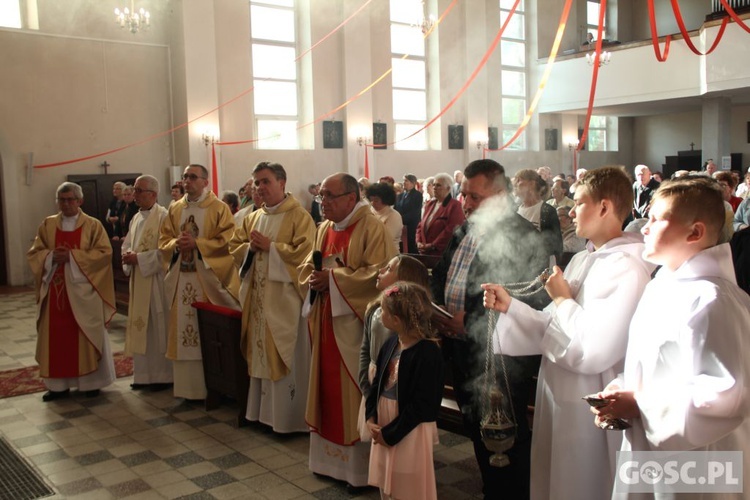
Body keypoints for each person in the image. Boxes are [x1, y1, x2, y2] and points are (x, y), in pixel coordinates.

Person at [482, 167, 655, 500]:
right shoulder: (580, 260)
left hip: (589, 396)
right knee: (554, 476)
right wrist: (511, 308)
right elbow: (553, 325)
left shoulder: (626, 268)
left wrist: (561, 296)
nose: (571, 212)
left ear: (604, 207)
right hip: (558, 388)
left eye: (578, 202)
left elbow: (593, 349)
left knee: (582, 481)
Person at [591, 176, 750, 499]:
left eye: (655, 219)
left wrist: (641, 404)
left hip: (699, 461)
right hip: (651, 446)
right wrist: (623, 386)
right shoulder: (663, 285)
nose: (644, 228)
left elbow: (725, 394)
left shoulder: (713, 300)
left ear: (695, 232)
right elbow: (658, 362)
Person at [430, 159, 549, 499]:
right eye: (463, 195)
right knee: (476, 427)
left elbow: (529, 299)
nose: (465, 203)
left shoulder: (522, 235)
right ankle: (492, 489)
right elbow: (442, 273)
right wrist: (438, 311)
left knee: (504, 432)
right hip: (462, 349)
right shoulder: (465, 229)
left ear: (499, 195)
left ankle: (511, 494)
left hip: (499, 355)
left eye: (474, 197)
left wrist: (466, 321)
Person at [299, 172, 395, 489]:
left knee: (353, 390)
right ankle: (328, 462)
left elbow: (379, 275)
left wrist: (335, 281)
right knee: (326, 386)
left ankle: (358, 471)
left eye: (329, 196)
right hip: (326, 320)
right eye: (321, 196)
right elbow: (309, 263)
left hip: (354, 328)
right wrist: (314, 278)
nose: (322, 202)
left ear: (351, 198)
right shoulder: (324, 227)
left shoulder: (372, 227)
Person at [229, 162, 315, 432]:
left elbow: (306, 255)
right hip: (258, 300)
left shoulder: (299, 216)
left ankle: (288, 420)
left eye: (265, 181)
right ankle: (262, 415)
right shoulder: (253, 217)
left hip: (285, 302)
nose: (260, 187)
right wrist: (251, 250)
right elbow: (234, 247)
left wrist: (272, 248)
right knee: (259, 354)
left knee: (284, 354)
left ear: (282, 182)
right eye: (256, 182)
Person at [27, 182, 117, 401]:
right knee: (55, 338)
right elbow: (35, 253)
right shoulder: (47, 225)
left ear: (80, 201)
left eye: (70, 200)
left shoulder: (93, 225)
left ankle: (91, 383)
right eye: (62, 200)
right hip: (55, 293)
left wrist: (73, 257)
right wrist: (49, 257)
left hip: (84, 292)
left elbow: (105, 253)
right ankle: (58, 387)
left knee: (85, 334)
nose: (65, 204)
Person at [159, 164, 240, 400]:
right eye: (185, 177)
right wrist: (176, 245)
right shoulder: (175, 208)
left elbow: (229, 240)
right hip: (182, 277)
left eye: (193, 177)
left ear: (206, 181)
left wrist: (199, 245)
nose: (187, 181)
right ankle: (187, 389)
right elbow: (164, 239)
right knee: (184, 330)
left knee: (209, 332)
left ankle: (214, 386)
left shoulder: (218, 208)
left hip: (206, 279)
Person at [366, 282, 444, 500]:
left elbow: (423, 405)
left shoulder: (427, 353)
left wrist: (390, 434)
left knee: (407, 483)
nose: (380, 314)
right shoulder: (391, 343)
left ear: (396, 320)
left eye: (384, 311)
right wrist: (371, 416)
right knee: (386, 480)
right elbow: (377, 385)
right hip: (384, 422)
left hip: (409, 428)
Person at [358, 255, 430, 438]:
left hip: (397, 385)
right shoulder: (373, 310)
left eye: (389, 269)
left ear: (403, 280)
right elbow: (365, 350)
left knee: (398, 435)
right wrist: (366, 387)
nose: (381, 271)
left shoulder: (410, 324)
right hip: (373, 382)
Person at [121, 175, 173, 391]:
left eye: (139, 190)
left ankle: (162, 375)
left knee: (157, 328)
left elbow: (168, 251)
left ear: (153, 194)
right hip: (139, 279)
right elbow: (127, 244)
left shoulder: (164, 217)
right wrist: (128, 256)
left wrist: (139, 259)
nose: (135, 195)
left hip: (156, 282)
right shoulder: (135, 218)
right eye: (135, 190)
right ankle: (143, 376)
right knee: (142, 328)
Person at [514, 169, 563, 264]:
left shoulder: (547, 211)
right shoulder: (515, 210)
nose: (515, 184)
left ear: (531, 184)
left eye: (519, 180)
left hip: (540, 266)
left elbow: (556, 246)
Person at [416, 172, 465, 257]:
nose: (434, 188)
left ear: (448, 188)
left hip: (441, 253)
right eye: (433, 185)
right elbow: (420, 225)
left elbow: (451, 230)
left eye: (438, 185)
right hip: (425, 252)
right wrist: (419, 242)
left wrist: (433, 245)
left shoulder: (455, 205)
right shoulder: (429, 204)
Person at [365, 182, 403, 255]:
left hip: (388, 254)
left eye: (376, 200)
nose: (372, 203)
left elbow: (386, 239)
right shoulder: (368, 212)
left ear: (386, 200)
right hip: (370, 252)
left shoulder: (394, 216)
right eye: (371, 200)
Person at [394, 174, 423, 254]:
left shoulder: (417, 195)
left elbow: (414, 212)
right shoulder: (400, 196)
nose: (403, 183)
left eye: (406, 181)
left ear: (413, 183)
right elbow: (395, 210)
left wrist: (400, 219)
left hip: (411, 227)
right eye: (403, 180)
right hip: (400, 226)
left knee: (411, 248)